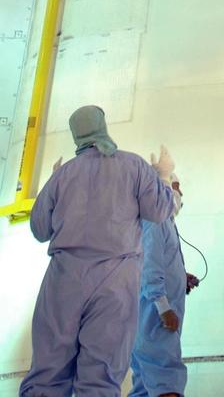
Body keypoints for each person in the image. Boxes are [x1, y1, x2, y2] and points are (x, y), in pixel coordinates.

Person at [20, 106, 177, 397]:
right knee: (101, 378)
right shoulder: (134, 166)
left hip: (64, 280)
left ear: (75, 134)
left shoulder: (63, 175)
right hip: (115, 282)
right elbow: (159, 211)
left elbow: (39, 229)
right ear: (103, 125)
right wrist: (165, 181)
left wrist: (55, 191)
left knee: (47, 375)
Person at [129, 167, 200, 397]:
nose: (180, 197)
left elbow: (160, 261)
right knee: (165, 382)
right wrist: (163, 307)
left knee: (145, 386)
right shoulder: (155, 220)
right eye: (177, 190)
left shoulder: (163, 221)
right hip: (156, 318)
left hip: (153, 317)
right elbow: (150, 265)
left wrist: (180, 276)